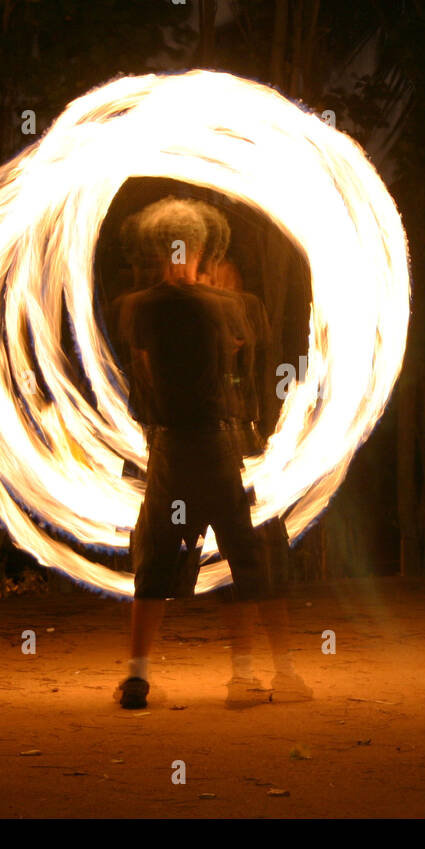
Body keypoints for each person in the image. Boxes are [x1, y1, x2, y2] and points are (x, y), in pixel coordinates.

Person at [108, 197, 309, 709]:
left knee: (153, 556)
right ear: (202, 248)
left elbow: (149, 370)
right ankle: (276, 674)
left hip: (169, 448)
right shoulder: (233, 306)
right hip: (222, 445)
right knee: (250, 551)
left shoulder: (135, 308)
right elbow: (245, 340)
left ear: (156, 249)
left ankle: (137, 676)